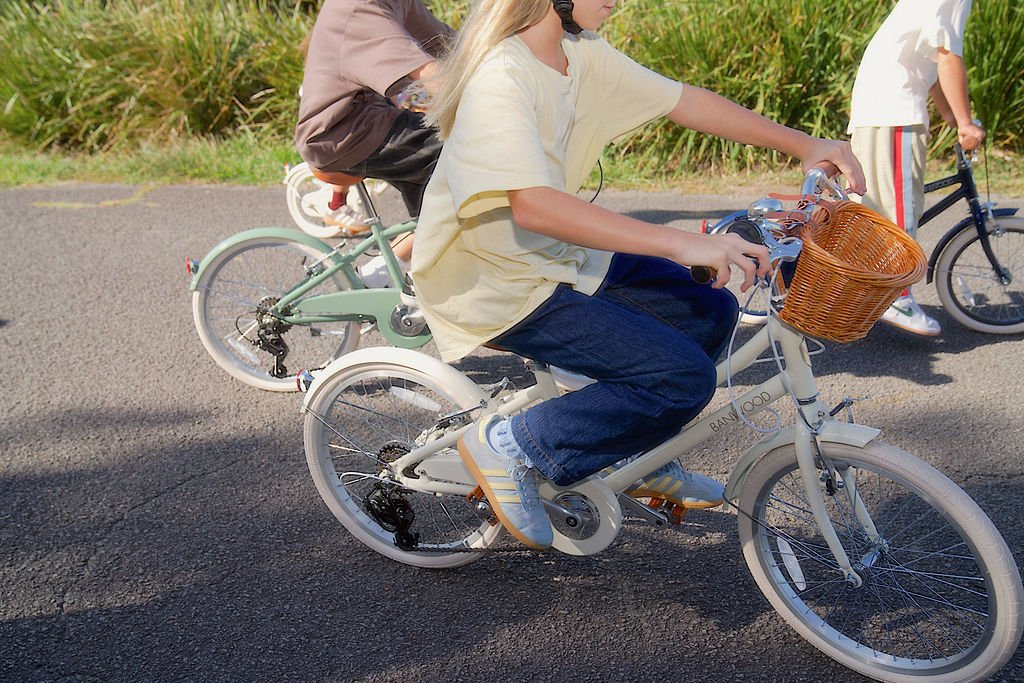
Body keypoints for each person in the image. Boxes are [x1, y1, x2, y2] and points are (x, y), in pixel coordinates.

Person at [410, 0, 866, 549]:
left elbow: (683, 102)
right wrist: (681, 242)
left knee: (708, 307)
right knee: (679, 379)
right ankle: (510, 445)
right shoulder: (501, 74)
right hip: (493, 280)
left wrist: (805, 144)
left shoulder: (578, 54)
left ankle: (636, 454)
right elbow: (531, 205)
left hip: (556, 254)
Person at [848, 0, 984, 336]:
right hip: (893, 111)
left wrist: (952, 117)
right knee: (898, 210)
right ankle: (896, 296)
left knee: (870, 209)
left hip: (885, 107)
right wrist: (966, 123)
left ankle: (845, 286)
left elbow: (931, 62)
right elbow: (947, 56)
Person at [295, 0, 454, 286]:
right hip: (342, 134)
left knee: (443, 204)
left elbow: (445, 43)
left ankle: (392, 277)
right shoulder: (360, 8)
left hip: (372, 123)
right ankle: (398, 283)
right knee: (461, 152)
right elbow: (428, 73)